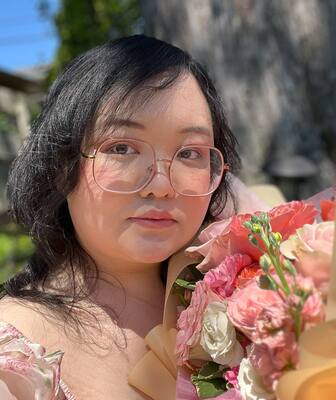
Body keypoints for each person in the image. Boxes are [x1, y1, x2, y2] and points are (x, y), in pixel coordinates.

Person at [0, 35, 241, 400]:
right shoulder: (16, 351)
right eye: (122, 148)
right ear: (62, 165)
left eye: (189, 153)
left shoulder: (250, 298)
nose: (161, 186)